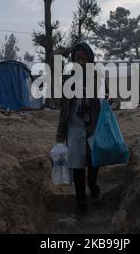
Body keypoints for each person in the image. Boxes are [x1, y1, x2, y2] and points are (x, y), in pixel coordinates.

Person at [56, 42, 102, 217]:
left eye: (84, 58)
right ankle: (80, 202)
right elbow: (64, 107)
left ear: (90, 60)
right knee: (77, 165)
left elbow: (106, 98)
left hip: (94, 126)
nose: (81, 62)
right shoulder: (68, 79)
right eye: (77, 59)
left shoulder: (97, 77)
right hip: (74, 126)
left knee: (93, 162)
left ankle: (93, 184)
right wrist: (60, 132)